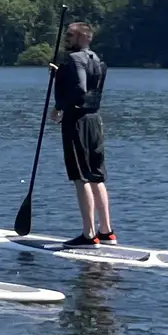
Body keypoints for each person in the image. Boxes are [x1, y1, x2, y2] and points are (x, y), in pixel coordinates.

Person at [50, 22, 113, 246]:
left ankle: (89, 234)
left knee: (81, 177)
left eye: (70, 35)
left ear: (83, 37)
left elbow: (80, 88)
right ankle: (106, 232)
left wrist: (59, 107)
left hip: (77, 121)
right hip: (95, 120)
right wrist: (60, 74)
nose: (67, 38)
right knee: (96, 176)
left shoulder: (74, 59)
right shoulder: (97, 60)